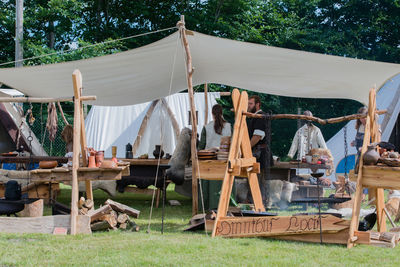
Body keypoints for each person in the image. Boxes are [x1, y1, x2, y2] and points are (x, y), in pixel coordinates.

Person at [247, 95, 269, 204]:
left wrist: (245, 149)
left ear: (257, 104)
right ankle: (255, 204)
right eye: (248, 103)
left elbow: (257, 136)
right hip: (257, 153)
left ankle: (259, 205)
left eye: (250, 103)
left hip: (260, 154)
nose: (248, 106)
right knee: (255, 180)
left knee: (259, 181)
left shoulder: (260, 116)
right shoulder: (254, 117)